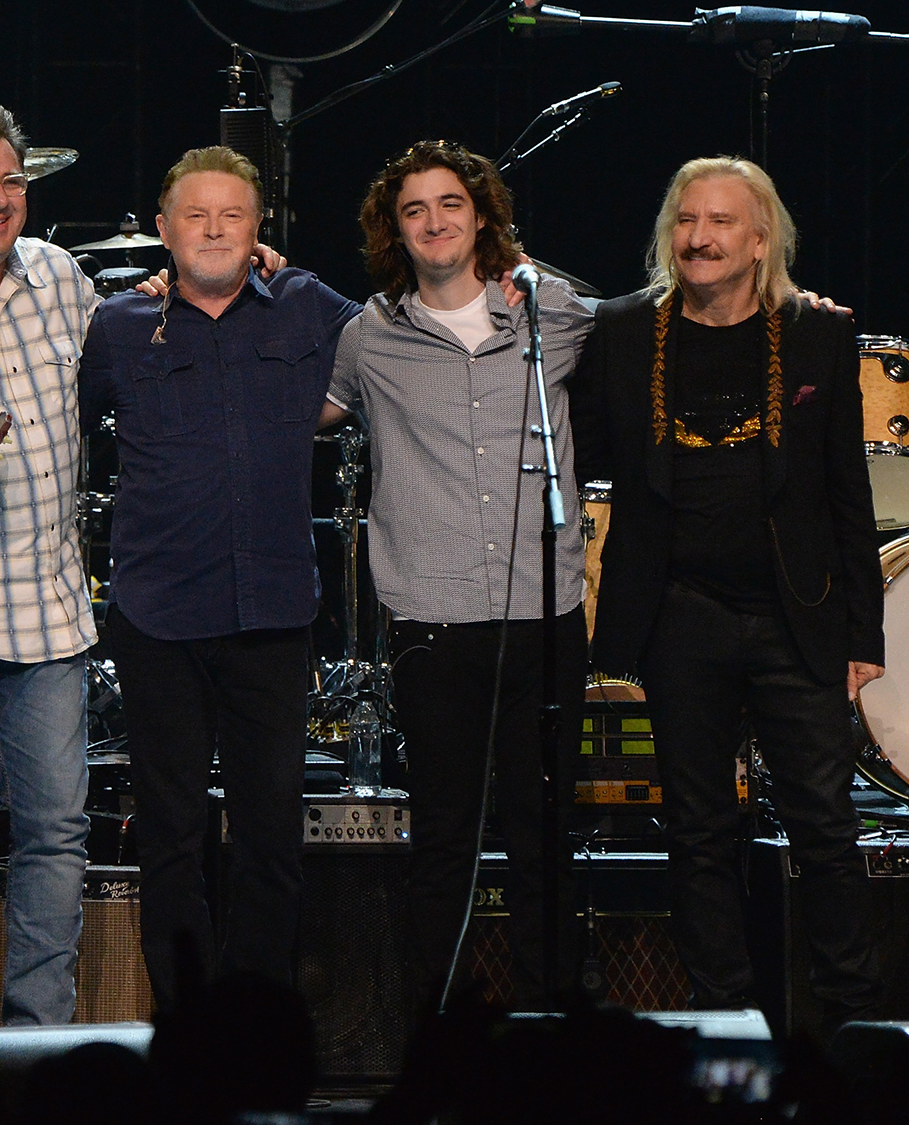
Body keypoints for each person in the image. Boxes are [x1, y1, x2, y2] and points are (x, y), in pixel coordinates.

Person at [0, 106, 283, 1024]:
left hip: (50, 616)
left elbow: (148, 335)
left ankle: (38, 1040)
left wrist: (213, 269)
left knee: (56, 836)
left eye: (12, 182)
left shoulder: (62, 279)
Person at [570, 156, 884, 1027]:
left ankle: (851, 1017)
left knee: (825, 824)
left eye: (718, 223)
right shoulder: (625, 330)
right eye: (685, 220)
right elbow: (585, 451)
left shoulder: (818, 331)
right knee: (700, 830)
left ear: (758, 240)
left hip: (798, 614)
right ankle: (725, 1015)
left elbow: (844, 491)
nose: (699, 238)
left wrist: (866, 634)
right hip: (679, 612)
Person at [78, 146, 360, 1011]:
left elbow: (402, 343)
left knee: (271, 836)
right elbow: (68, 436)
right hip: (158, 613)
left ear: (258, 227)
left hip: (272, 611)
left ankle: (256, 1024)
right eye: (194, 215)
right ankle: (189, 1022)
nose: (212, 230)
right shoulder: (120, 324)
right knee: (170, 835)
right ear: (162, 230)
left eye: (231, 215)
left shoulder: (312, 309)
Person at [322, 140, 593, 1009]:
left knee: (546, 834)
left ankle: (551, 1026)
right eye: (414, 210)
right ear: (393, 230)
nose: (435, 222)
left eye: (451, 204)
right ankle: (432, 1040)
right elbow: (304, 411)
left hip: (544, 613)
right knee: (444, 839)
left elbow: (669, 314)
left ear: (482, 217)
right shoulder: (368, 336)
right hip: (433, 621)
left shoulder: (552, 314)